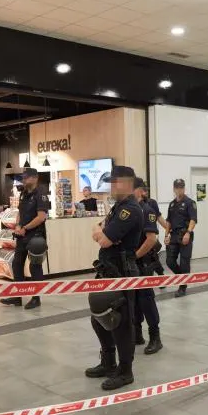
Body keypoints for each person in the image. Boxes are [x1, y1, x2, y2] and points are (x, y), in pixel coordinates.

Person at [85, 165, 144, 390]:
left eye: (114, 181)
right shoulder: (118, 208)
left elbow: (104, 239)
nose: (110, 185)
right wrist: (101, 231)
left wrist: (102, 233)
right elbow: (98, 230)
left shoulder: (130, 210)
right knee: (98, 318)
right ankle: (108, 362)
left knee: (120, 323)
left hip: (122, 272)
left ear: (126, 183)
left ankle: (125, 370)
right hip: (107, 270)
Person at [0, 168, 49, 310]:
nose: (23, 180)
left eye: (26, 178)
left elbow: (41, 217)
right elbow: (20, 212)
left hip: (36, 237)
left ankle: (36, 298)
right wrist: (17, 225)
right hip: (22, 235)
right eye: (23, 178)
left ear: (35, 178)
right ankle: (17, 296)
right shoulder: (23, 193)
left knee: (35, 267)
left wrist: (25, 228)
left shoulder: (41, 194)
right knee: (16, 264)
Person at [132, 177, 164, 354]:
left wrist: (135, 256)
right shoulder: (129, 209)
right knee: (133, 299)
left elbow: (151, 239)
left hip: (143, 261)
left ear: (140, 191)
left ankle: (155, 337)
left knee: (146, 299)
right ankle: (137, 333)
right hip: (130, 263)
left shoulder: (147, 211)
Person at [165, 179, 197, 297]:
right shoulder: (172, 204)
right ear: (174, 189)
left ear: (184, 188)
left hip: (185, 236)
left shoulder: (190, 203)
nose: (179, 190)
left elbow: (193, 220)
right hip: (173, 236)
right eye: (177, 187)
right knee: (169, 261)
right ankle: (183, 278)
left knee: (184, 262)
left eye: (181, 187)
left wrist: (188, 233)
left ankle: (182, 287)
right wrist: (166, 235)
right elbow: (168, 221)